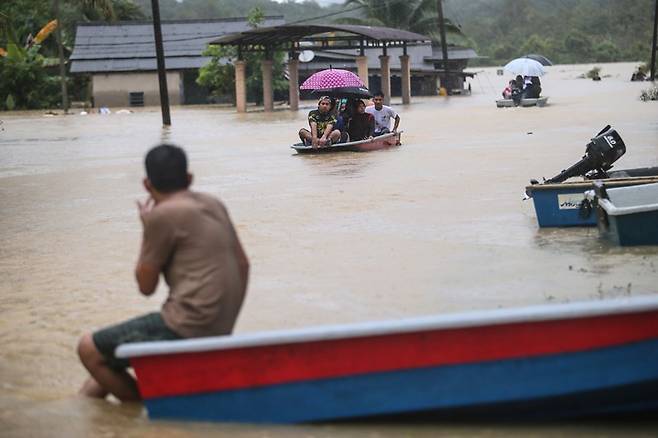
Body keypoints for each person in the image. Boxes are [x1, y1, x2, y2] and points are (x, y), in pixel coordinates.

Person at [77, 144, 250, 402]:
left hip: (187, 324)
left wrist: (147, 229)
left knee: (89, 349)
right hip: (221, 324)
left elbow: (146, 287)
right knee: (102, 373)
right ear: (189, 178)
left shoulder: (161, 216)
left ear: (147, 185)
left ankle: (144, 410)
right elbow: (243, 265)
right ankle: (83, 412)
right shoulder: (214, 203)